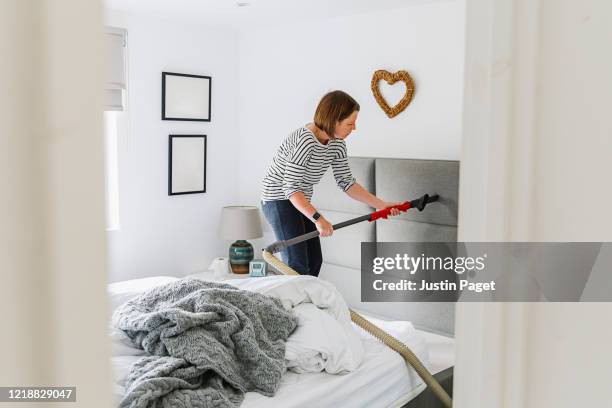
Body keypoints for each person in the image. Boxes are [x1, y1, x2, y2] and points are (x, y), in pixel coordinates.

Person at [261, 90, 401, 277]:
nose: (354, 128)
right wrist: (318, 218)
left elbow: (347, 183)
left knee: (314, 261)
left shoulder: (337, 144)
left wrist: (381, 205)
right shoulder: (305, 141)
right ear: (334, 120)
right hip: (278, 199)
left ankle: (305, 305)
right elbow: (291, 188)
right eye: (350, 123)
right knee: (297, 265)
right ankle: (288, 305)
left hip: (300, 198)